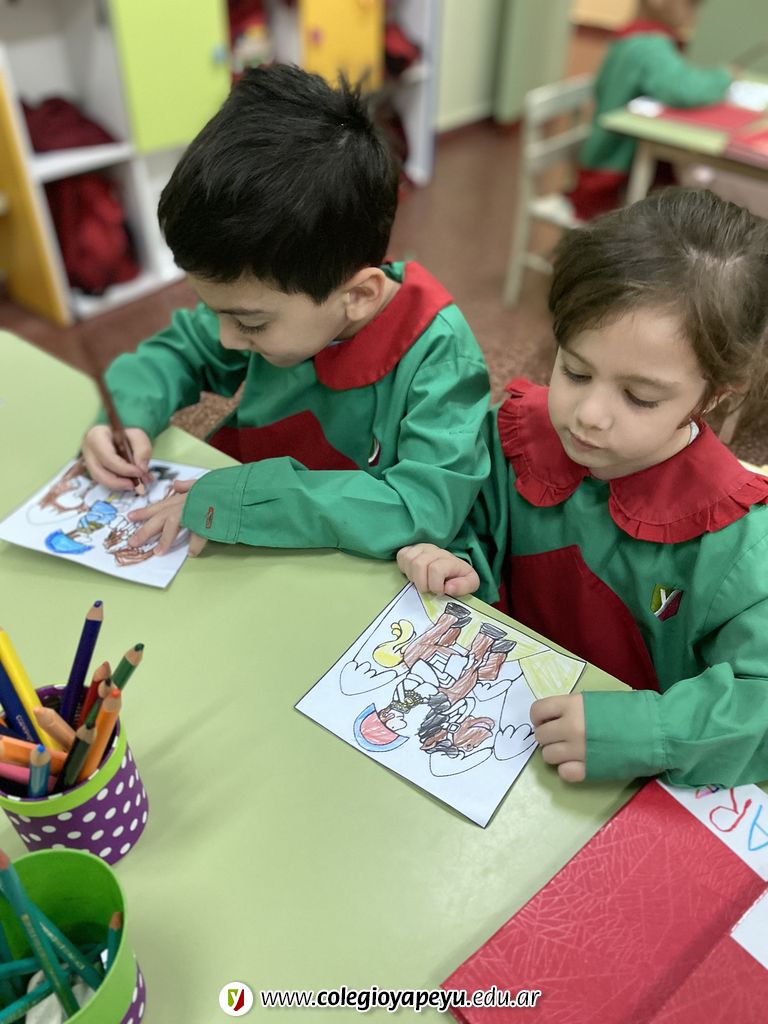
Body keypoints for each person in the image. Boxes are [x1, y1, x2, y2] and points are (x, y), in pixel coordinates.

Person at [397, 188, 768, 789]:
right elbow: (475, 527)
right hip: (491, 738)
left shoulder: (738, 541)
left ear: (714, 395)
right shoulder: (520, 437)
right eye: (574, 370)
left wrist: (649, 731)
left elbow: (759, 701)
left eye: (639, 397)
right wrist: (457, 562)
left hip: (617, 778)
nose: (588, 415)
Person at [81, 64, 490, 559]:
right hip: (242, 532)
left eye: (249, 324)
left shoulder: (441, 359)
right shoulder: (270, 293)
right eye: (215, 312)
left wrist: (244, 502)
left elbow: (421, 510)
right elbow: (177, 351)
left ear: (359, 296)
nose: (226, 338)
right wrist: (126, 418)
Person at [569, 0, 734, 220]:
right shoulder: (649, 45)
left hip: (599, 156)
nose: (694, 15)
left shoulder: (630, 36)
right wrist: (724, 76)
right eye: (691, 5)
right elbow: (683, 90)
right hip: (614, 172)